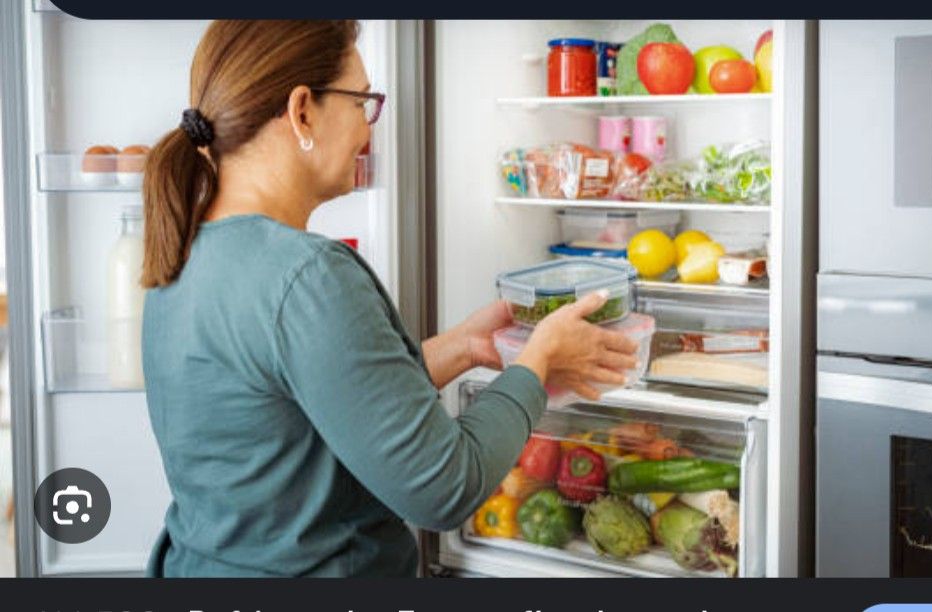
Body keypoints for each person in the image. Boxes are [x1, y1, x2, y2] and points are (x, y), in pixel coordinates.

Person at [138, 20, 638, 577]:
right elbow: (446, 488)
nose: (367, 131)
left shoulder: (184, 250)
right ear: (303, 110)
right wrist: (538, 363)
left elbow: (321, 410)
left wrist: (466, 348)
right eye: (361, 103)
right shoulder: (307, 276)